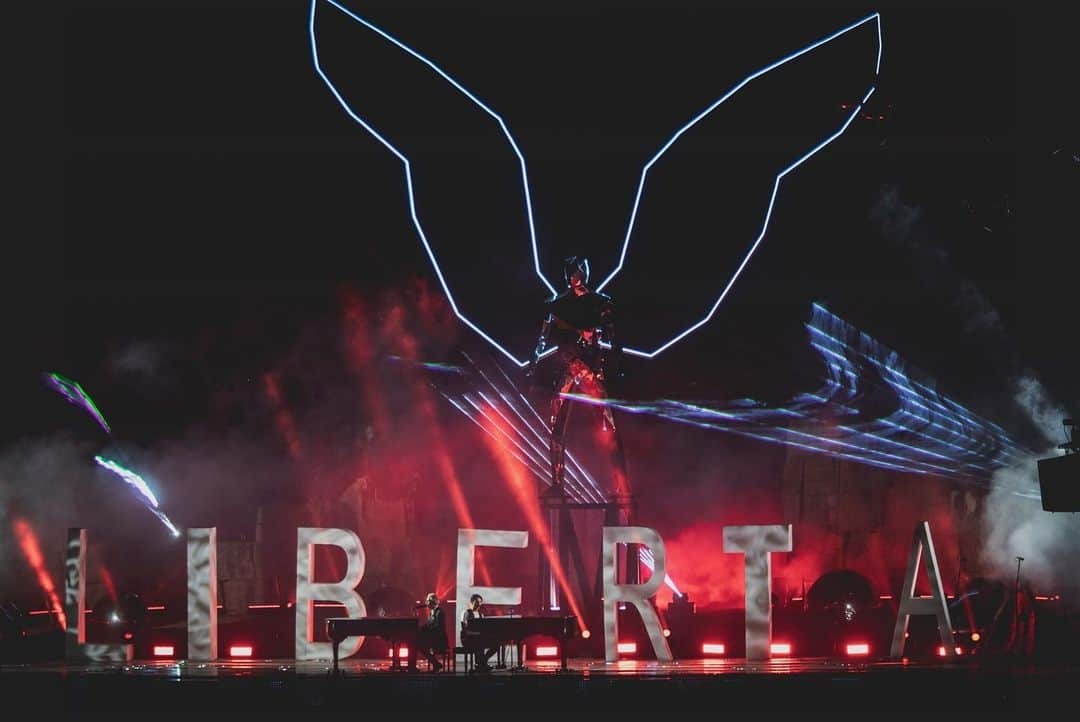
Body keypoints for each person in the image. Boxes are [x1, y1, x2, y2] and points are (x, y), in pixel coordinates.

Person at [527, 255, 629, 496]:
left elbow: (615, 339)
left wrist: (617, 361)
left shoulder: (601, 303)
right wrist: (534, 362)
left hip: (591, 369)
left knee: (607, 427)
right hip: (567, 369)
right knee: (557, 429)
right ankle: (558, 483)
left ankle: (621, 483)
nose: (574, 278)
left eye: (578, 273)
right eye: (571, 273)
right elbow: (542, 338)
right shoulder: (556, 304)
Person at [460, 593, 496, 671]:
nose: (479, 604)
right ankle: (481, 664)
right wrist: (477, 634)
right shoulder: (465, 613)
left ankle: (482, 661)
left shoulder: (481, 614)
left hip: (478, 638)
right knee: (480, 642)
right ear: (472, 602)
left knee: (496, 644)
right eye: (477, 602)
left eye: (480, 602)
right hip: (467, 639)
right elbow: (464, 630)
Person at [417, 592, 448, 672]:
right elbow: (428, 624)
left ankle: (436, 664)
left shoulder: (440, 612)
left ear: (433, 602)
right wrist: (421, 628)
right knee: (421, 647)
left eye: (428, 602)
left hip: (439, 640)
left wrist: (426, 630)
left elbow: (438, 627)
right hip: (433, 638)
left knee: (422, 647)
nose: (427, 604)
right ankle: (436, 664)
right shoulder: (432, 612)